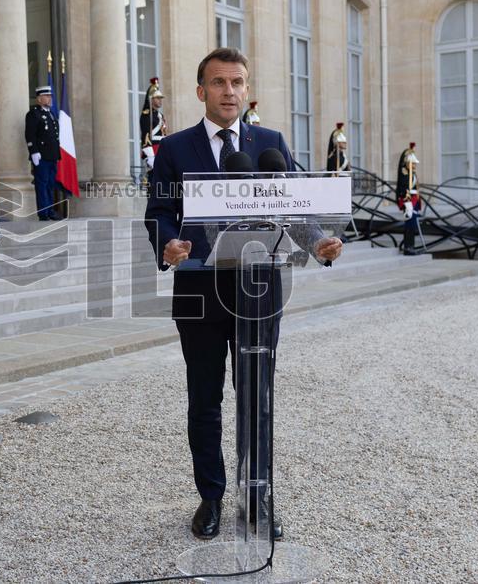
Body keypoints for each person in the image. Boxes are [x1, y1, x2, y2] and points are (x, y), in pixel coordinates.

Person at [144, 47, 343, 541]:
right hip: (198, 289)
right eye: (218, 83)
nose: (228, 91)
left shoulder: (271, 143)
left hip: (258, 291)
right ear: (200, 91)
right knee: (205, 400)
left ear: (247, 89)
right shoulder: (175, 149)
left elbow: (295, 207)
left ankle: (259, 497)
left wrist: (318, 240)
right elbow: (159, 212)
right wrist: (167, 242)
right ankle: (210, 498)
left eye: (237, 82)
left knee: (256, 398)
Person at [24, 84, 61, 220]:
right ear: (39, 99)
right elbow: (30, 134)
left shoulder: (50, 114)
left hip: (52, 155)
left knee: (50, 184)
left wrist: (57, 154)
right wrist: (33, 151)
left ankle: (50, 209)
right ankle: (44, 212)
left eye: (50, 96)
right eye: (46, 96)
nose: (49, 98)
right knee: (42, 184)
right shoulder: (34, 114)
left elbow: (54, 136)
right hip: (41, 156)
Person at [396, 142, 422, 255]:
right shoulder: (404, 174)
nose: (415, 166)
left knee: (413, 224)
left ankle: (412, 246)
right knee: (409, 224)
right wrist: (406, 199)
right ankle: (408, 247)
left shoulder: (413, 174)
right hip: (408, 201)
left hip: (414, 200)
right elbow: (403, 188)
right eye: (413, 164)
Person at [139, 77, 167, 179]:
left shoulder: (160, 115)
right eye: (157, 98)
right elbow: (146, 137)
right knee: (153, 180)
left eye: (160, 98)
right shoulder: (147, 115)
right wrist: (150, 156)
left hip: (162, 150)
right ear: (151, 98)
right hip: (153, 151)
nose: (160, 100)